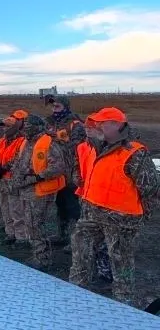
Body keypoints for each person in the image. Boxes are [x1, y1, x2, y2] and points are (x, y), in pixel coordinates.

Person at [69, 107, 160, 306]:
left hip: (122, 219)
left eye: (102, 123)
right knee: (80, 246)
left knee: (120, 260)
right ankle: (76, 291)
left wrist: (140, 218)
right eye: (95, 122)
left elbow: (151, 189)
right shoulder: (95, 146)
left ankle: (123, 301)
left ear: (118, 125)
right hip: (92, 211)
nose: (96, 126)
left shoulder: (134, 152)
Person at [11, 115, 68, 270]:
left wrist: (38, 176)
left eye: (29, 125)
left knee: (36, 224)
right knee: (31, 224)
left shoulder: (49, 143)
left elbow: (58, 167)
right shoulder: (26, 142)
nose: (25, 127)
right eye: (25, 124)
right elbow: (19, 162)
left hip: (40, 191)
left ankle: (43, 259)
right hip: (27, 189)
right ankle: (38, 254)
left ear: (37, 126)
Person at [44, 94, 86, 250]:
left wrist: (58, 140)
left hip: (72, 173)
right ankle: (62, 235)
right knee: (60, 205)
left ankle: (77, 241)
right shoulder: (51, 123)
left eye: (57, 107)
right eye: (53, 107)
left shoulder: (76, 125)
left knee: (74, 207)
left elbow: (79, 149)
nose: (54, 110)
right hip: (57, 173)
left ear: (66, 107)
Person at [74, 114, 112, 281]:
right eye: (87, 127)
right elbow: (78, 167)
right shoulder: (82, 147)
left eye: (92, 127)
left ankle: (106, 272)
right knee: (88, 239)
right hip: (86, 199)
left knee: (106, 241)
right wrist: (76, 178)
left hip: (107, 203)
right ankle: (94, 270)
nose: (88, 130)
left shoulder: (111, 150)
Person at [0, 115, 28, 245]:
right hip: (1, 180)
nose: (5, 129)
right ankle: (10, 233)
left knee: (17, 209)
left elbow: (20, 158)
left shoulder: (22, 141)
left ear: (14, 127)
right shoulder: (1, 140)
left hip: (14, 180)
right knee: (5, 208)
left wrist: (4, 168)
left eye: (7, 126)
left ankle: (21, 237)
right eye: (3, 126)